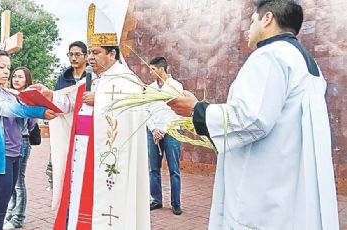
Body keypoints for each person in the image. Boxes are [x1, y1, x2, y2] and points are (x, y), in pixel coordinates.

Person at [167, 0, 339, 229]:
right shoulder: (306, 62)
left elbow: (251, 118)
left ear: (267, 18)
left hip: (263, 190)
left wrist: (197, 109)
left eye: (252, 21)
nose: (249, 28)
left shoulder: (269, 56)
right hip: (289, 181)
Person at [32, 3, 150, 229]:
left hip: (104, 154)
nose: (91, 58)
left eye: (96, 53)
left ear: (112, 53)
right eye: (90, 53)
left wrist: (102, 100)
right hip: (83, 151)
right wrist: (49, 95)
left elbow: (135, 109)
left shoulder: (127, 80)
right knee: (79, 202)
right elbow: (69, 103)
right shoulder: (92, 80)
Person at [0, 48, 57, 230]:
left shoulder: (3, 91)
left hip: (14, 154)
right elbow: (9, 109)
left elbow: (21, 98)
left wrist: (39, 92)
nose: (6, 72)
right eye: (1, 67)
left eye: (8, 68)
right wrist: (40, 112)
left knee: (1, 209)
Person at [49, 41, 88, 211]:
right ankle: (65, 208)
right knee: (63, 167)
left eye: (77, 54)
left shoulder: (92, 77)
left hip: (85, 130)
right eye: (70, 54)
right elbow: (58, 102)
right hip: (65, 130)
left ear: (86, 56)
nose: (73, 58)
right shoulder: (63, 78)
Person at [146, 56, 184, 215]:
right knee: (154, 168)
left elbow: (178, 111)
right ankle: (156, 200)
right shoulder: (150, 88)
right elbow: (145, 109)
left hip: (172, 131)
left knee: (174, 168)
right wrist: (154, 129)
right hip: (153, 131)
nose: (150, 72)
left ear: (161, 69)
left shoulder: (176, 86)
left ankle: (175, 203)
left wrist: (164, 129)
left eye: (153, 69)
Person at [3, 67, 36, 229]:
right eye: (14, 76)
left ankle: (18, 218)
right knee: (10, 181)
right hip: (8, 142)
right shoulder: (7, 95)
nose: (16, 79)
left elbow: (31, 123)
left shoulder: (28, 98)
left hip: (22, 141)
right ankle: (10, 213)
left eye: (20, 77)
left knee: (18, 182)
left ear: (27, 80)